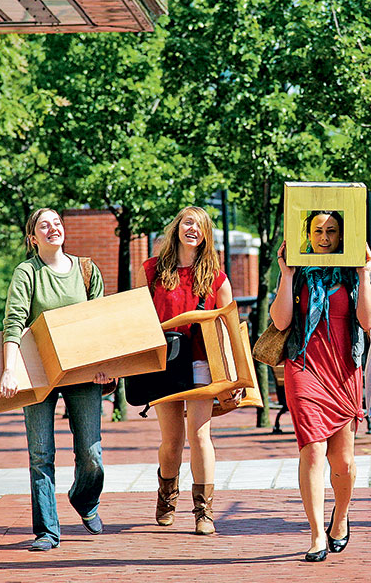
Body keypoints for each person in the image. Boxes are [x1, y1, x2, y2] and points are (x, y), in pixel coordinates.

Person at [0, 208, 112, 551]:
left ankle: (84, 499)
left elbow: (102, 321)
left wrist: (105, 364)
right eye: (43, 225)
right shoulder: (27, 272)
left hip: (82, 371)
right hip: (38, 372)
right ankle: (47, 530)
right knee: (41, 453)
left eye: (57, 223)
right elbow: (14, 322)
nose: (53, 228)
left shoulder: (86, 270)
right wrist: (9, 369)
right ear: (32, 238)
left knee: (91, 453)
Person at [269, 210, 371, 562]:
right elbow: (281, 319)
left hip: (343, 370)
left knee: (342, 462)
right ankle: (316, 535)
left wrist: (364, 274)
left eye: (332, 230)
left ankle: (340, 518)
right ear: (308, 233)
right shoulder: (297, 271)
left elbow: (369, 320)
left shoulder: (351, 272)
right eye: (318, 230)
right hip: (303, 365)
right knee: (312, 451)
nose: (325, 237)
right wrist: (286, 276)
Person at [143, 206, 233, 535]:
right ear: (177, 227)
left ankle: (203, 511)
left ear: (206, 234)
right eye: (187, 221)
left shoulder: (216, 279)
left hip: (201, 363)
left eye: (199, 224)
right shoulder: (152, 270)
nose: (191, 228)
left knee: (200, 436)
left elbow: (228, 330)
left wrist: (230, 378)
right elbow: (140, 319)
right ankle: (166, 497)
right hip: (164, 363)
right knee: (171, 441)